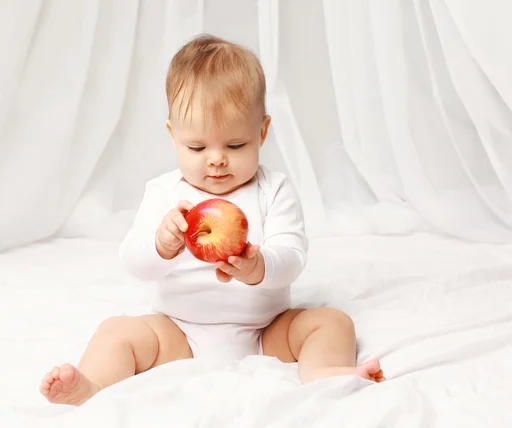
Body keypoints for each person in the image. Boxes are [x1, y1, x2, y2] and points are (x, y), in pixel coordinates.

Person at [40, 34, 384, 406]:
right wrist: (162, 245)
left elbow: (292, 258)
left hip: (265, 331)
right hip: (179, 333)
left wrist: (258, 266)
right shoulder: (164, 193)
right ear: (174, 137)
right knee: (117, 330)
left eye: (235, 145)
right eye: (197, 147)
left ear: (262, 132)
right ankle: (91, 386)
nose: (216, 159)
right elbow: (134, 263)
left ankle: (321, 372)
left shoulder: (274, 190)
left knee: (332, 322)